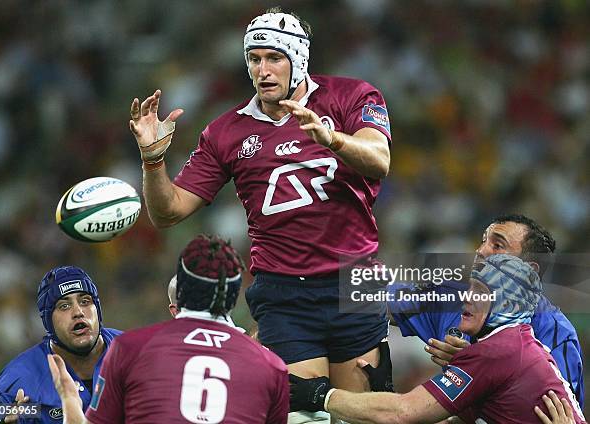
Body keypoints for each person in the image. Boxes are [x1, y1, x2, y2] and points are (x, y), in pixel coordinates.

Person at [128, 5, 392, 407]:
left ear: (298, 60)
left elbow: (380, 159)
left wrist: (331, 139)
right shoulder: (225, 131)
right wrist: (152, 160)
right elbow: (169, 212)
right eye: (254, 59)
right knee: (302, 414)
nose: (262, 70)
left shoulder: (352, 96)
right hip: (283, 291)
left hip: (355, 279)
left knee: (364, 412)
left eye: (274, 58)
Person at [290, 254, 587, 423]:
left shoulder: (499, 352)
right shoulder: (512, 345)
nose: (467, 298)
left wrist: (319, 395)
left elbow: (402, 413)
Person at [48, 234, 289, 423]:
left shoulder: (129, 348)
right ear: (235, 298)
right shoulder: (272, 366)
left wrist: (70, 400)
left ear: (179, 292)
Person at [387, 214, 584, 406]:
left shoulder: (557, 334)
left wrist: (478, 366)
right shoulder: (452, 299)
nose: (480, 251)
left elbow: (559, 414)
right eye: (483, 241)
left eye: (497, 245)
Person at [0, 266, 121, 423]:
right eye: (64, 306)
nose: (78, 312)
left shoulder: (134, 354)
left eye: (85, 301)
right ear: (48, 321)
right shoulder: (21, 381)